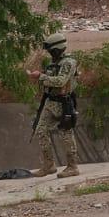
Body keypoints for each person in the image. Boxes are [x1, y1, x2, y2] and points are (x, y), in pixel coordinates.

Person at [28, 33, 80, 178]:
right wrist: (39, 76)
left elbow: (61, 81)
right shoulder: (53, 63)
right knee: (41, 130)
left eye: (52, 50)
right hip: (50, 102)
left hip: (64, 104)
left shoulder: (68, 62)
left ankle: (72, 166)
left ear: (58, 49)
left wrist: (41, 77)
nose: (50, 53)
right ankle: (49, 165)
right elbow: (50, 79)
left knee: (66, 134)